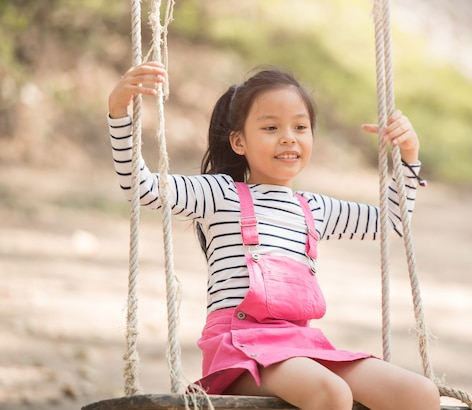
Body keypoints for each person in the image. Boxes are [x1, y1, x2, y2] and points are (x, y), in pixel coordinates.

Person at [107, 61, 440, 410]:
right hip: (240, 351)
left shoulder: (314, 208)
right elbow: (141, 187)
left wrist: (408, 156)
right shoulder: (220, 194)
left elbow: (392, 223)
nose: (288, 137)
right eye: (271, 127)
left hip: (302, 346)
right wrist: (119, 113)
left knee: (419, 394)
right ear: (238, 141)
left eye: (300, 127)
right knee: (332, 393)